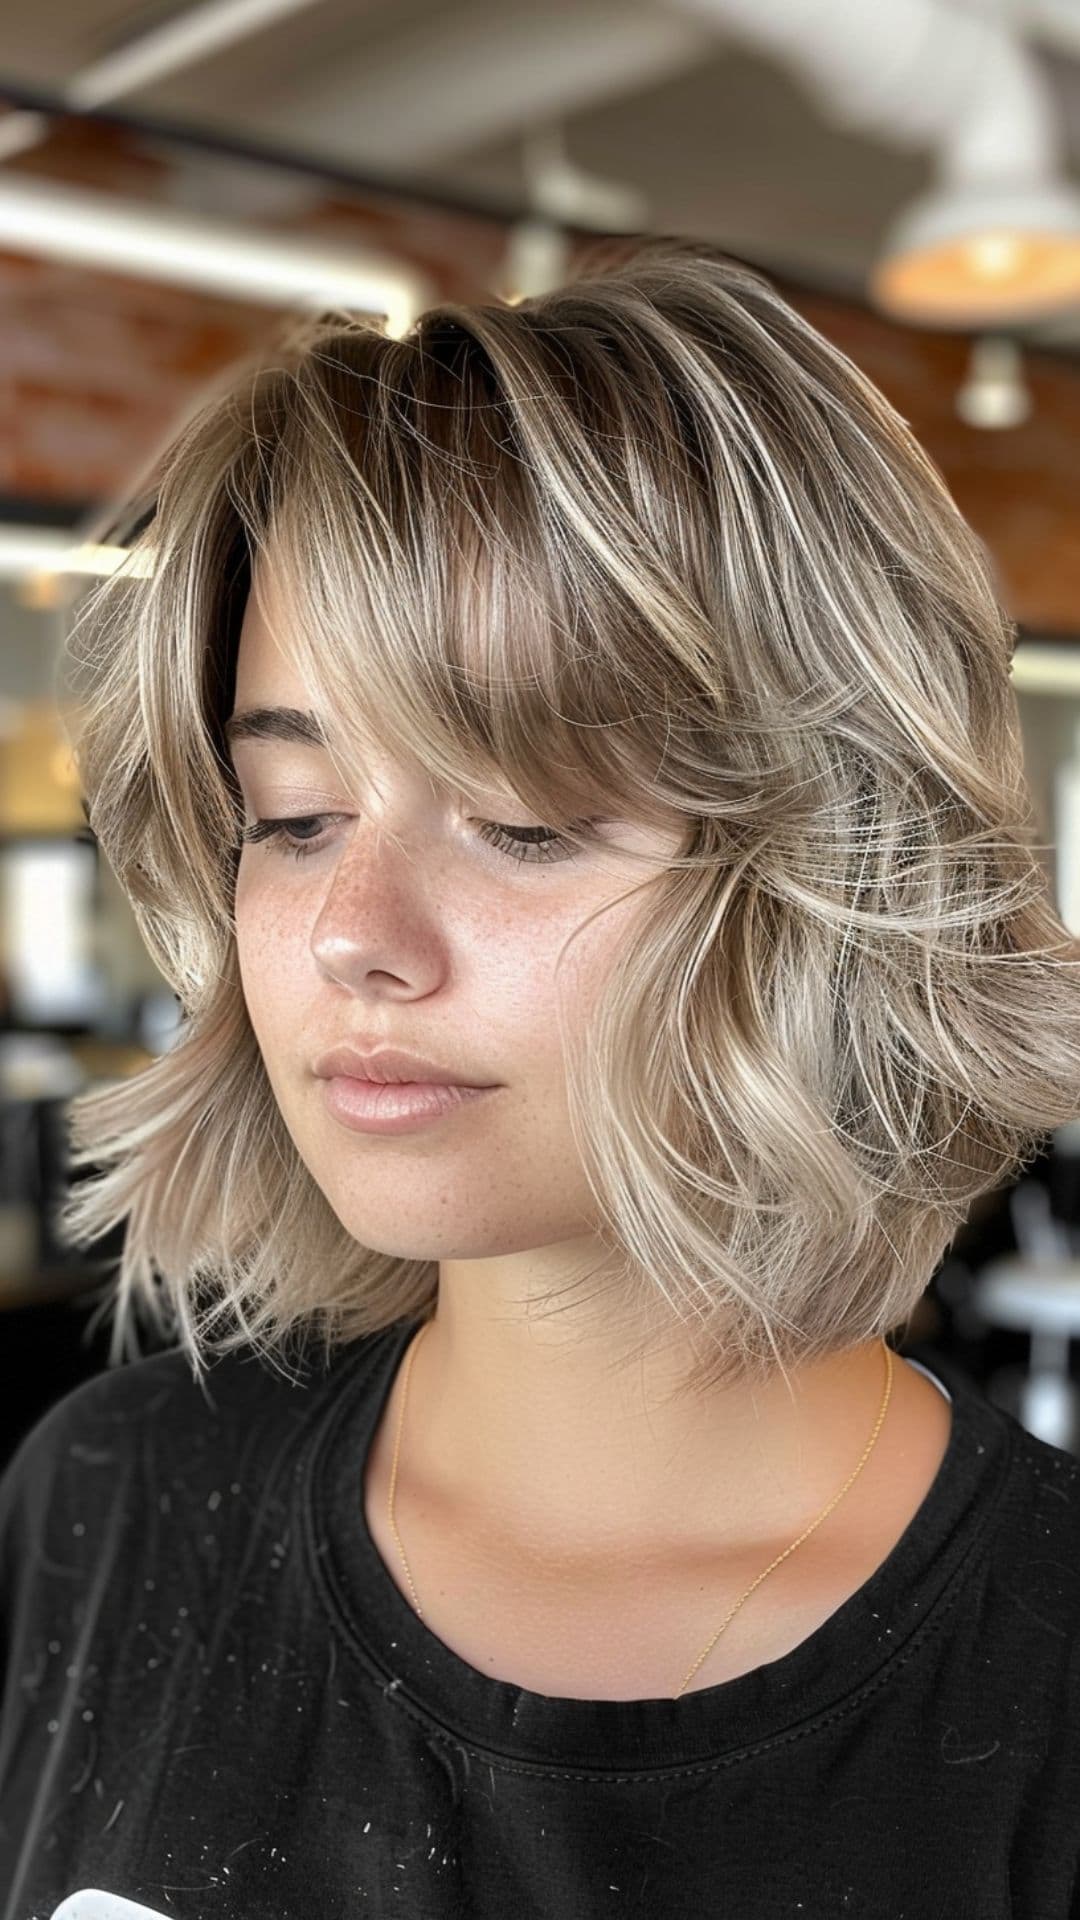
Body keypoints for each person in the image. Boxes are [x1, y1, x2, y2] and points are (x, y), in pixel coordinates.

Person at [3, 236, 1079, 1920]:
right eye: (293, 819)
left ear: (835, 863)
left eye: (523, 821)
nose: (355, 934)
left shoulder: (1042, 1691)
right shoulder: (115, 1502)